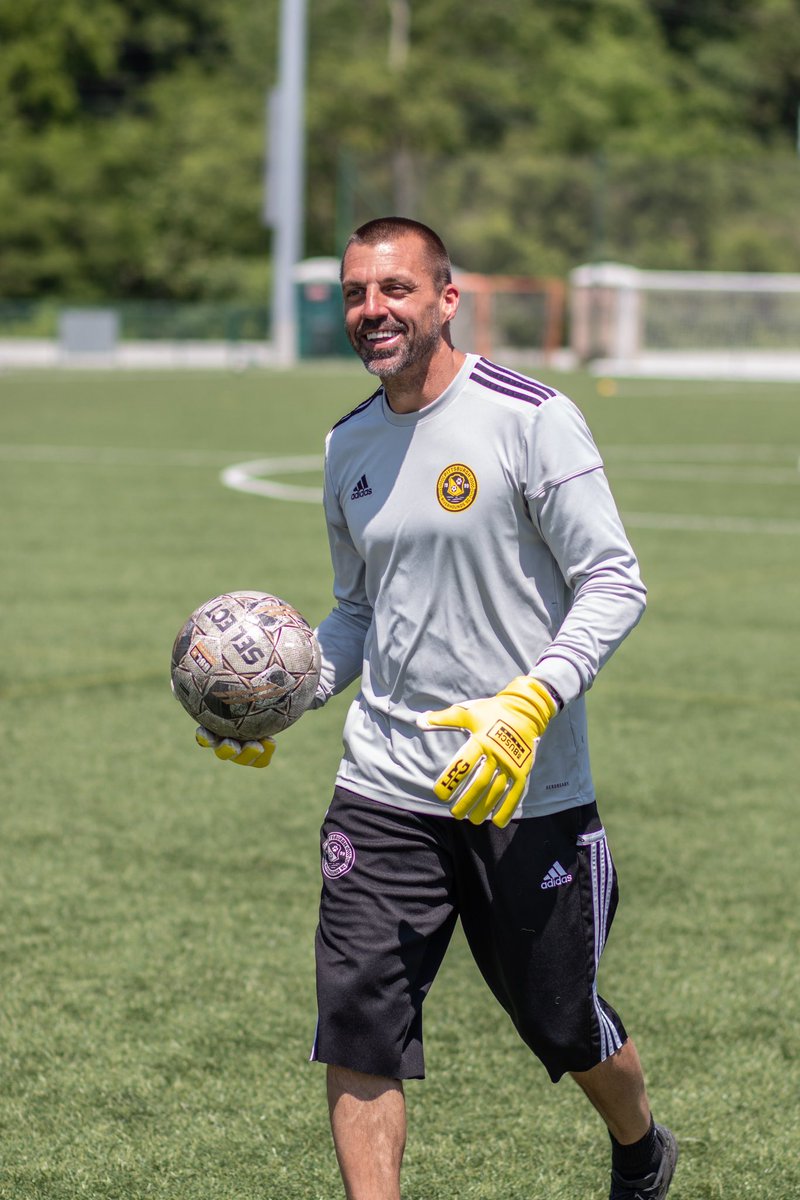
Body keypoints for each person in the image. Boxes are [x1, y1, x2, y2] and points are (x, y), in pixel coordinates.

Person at [196, 217, 678, 1200]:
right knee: (359, 1022)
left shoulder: (528, 417)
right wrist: (284, 695)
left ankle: (639, 1145)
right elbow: (358, 612)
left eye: (394, 290)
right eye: (355, 293)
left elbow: (613, 582)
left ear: (444, 299)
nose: (371, 310)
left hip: (525, 791)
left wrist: (528, 702)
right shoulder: (347, 444)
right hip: (383, 787)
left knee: (558, 1023)